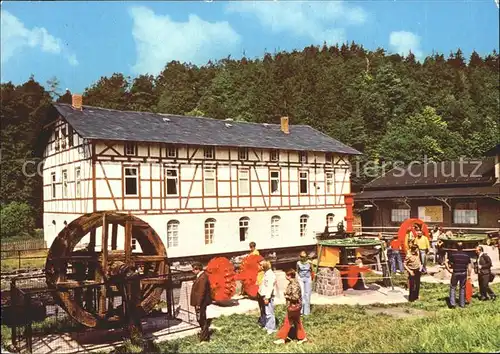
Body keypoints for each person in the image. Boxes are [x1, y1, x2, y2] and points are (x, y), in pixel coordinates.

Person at [274, 269, 308, 345]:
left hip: (293, 306)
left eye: (286, 275)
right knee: (297, 322)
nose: (285, 277)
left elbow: (295, 297)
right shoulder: (293, 283)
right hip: (296, 307)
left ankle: (282, 338)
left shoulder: (294, 285)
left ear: (289, 276)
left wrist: (287, 296)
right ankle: (302, 337)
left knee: (287, 322)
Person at [445, 242, 472, 308]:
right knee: (462, 288)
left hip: (456, 272)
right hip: (464, 273)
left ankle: (453, 303)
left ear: (456, 247)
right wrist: (469, 275)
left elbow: (446, 262)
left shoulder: (453, 255)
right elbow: (469, 266)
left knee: (453, 287)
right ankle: (462, 304)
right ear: (463, 247)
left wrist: (448, 269)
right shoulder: (467, 255)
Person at [190, 262, 212, 342]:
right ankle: (204, 334)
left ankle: (205, 337)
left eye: (193, 269)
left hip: (201, 302)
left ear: (198, 269)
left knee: (202, 319)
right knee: (201, 318)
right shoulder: (201, 276)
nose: (192, 271)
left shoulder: (203, 277)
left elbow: (201, 292)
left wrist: (198, 304)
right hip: (201, 302)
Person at [258, 260, 277, 334]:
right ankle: (267, 325)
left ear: (264, 266)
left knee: (269, 312)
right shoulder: (266, 274)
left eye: (261, 265)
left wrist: (267, 297)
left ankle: (271, 328)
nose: (260, 267)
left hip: (268, 296)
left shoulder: (270, 275)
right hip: (264, 295)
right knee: (266, 311)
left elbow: (269, 287)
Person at [296, 251, 313, 316]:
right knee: (302, 294)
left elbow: (312, 270)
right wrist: (297, 278)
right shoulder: (298, 263)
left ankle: (307, 311)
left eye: (304, 256)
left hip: (308, 278)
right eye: (301, 256)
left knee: (307, 294)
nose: (302, 258)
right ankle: (301, 311)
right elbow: (297, 271)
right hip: (301, 278)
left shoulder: (309, 262)